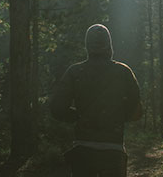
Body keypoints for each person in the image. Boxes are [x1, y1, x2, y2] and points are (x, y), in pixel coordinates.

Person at [51, 24, 142, 177]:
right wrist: (117, 116)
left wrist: (77, 116)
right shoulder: (123, 71)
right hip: (114, 149)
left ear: (88, 46)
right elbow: (137, 111)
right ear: (109, 46)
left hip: (83, 150)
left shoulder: (75, 72)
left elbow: (57, 109)